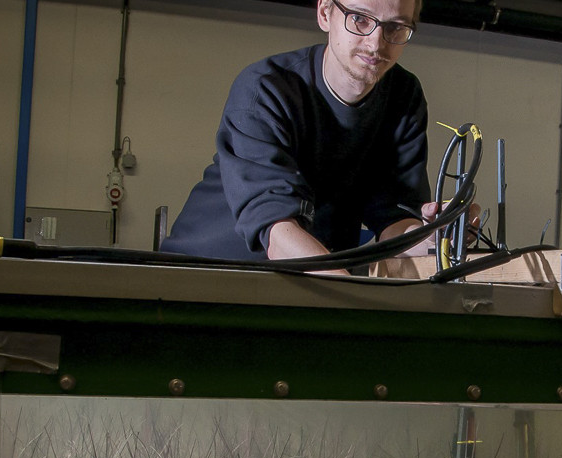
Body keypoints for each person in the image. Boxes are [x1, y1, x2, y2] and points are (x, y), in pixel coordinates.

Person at [163, 0, 464, 272]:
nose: (376, 43)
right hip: (206, 275)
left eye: (395, 27)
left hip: (309, 279)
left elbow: (395, 221)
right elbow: (279, 236)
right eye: (359, 19)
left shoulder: (403, 96)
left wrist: (437, 236)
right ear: (324, 13)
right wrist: (353, 301)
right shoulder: (268, 89)